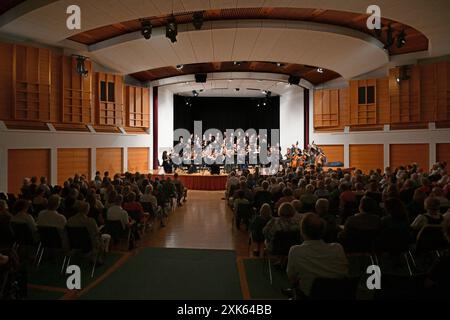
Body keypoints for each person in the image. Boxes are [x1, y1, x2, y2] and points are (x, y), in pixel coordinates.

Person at [286, 213, 348, 298]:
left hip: (309, 295)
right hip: (339, 293)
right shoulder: (338, 248)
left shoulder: (295, 251)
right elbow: (344, 272)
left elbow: (291, 277)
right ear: (323, 231)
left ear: (302, 231)